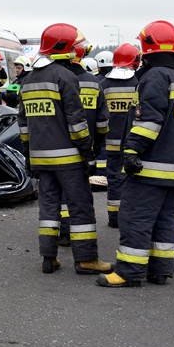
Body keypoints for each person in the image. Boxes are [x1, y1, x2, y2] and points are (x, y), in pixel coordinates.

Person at [98, 21, 174, 287]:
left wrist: (131, 151)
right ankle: (160, 269)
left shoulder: (154, 77)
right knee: (165, 218)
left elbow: (149, 121)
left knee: (135, 217)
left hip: (150, 164)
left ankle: (129, 272)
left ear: (147, 46)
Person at [17, 23, 111, 275]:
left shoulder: (28, 81)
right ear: (65, 48)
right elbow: (77, 122)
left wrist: (28, 157)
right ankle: (86, 260)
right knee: (80, 206)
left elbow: (23, 125)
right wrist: (88, 153)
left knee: (48, 207)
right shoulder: (65, 77)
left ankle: (49, 257)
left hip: (41, 158)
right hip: (69, 158)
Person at [57, 40, 108, 244]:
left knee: (60, 194)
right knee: (80, 194)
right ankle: (82, 239)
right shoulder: (94, 82)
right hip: (85, 146)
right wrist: (95, 146)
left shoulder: (56, 79)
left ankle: (63, 233)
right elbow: (103, 122)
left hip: (60, 146)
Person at [100, 43, 140, 228]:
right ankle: (130, 216)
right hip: (135, 143)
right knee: (134, 180)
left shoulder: (104, 85)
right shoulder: (139, 83)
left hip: (111, 143)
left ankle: (114, 217)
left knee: (114, 179)